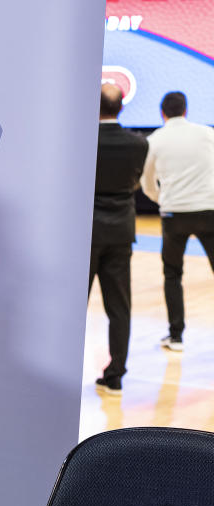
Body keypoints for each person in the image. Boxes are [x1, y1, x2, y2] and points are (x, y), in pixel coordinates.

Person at [140, 91, 214, 352]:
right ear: (186, 111)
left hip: (174, 214)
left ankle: (176, 336)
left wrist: (163, 200)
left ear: (162, 113)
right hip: (208, 210)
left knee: (172, 274)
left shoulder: (155, 140)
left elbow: (146, 183)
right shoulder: (207, 134)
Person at [89, 84, 148, 395]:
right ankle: (115, 376)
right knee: (119, 307)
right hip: (121, 231)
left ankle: (64, 372)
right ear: (122, 108)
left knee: (75, 307)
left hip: (86, 232)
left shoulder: (83, 140)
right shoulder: (138, 144)